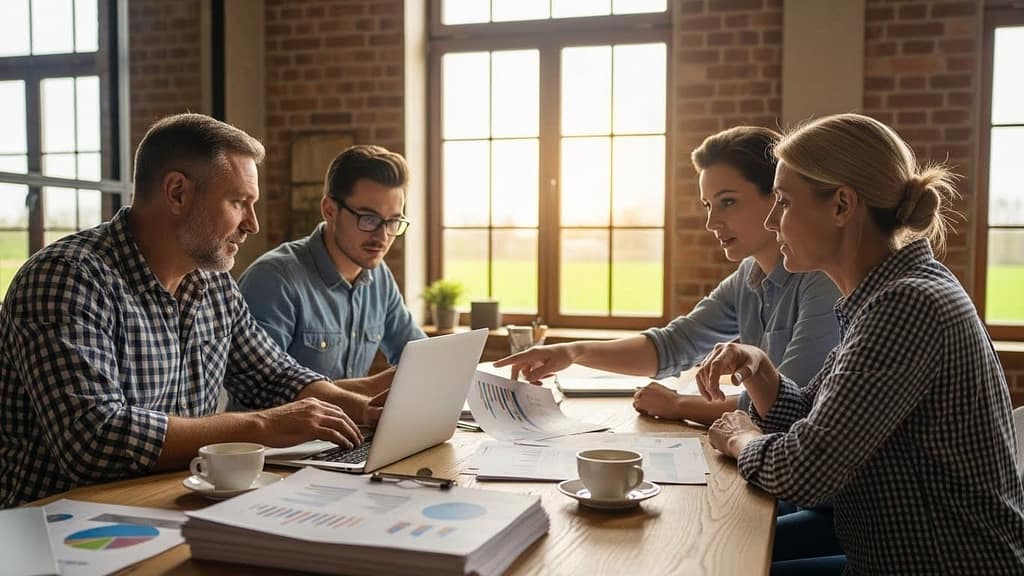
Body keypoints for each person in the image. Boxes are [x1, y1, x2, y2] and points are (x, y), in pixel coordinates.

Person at [0, 114, 390, 507]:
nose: (252, 224)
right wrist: (263, 425)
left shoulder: (212, 283)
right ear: (177, 193)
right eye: (239, 203)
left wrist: (368, 411)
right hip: (58, 527)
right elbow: (94, 440)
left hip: (169, 508)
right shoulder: (67, 279)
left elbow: (275, 376)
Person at [700, 113, 1024, 574]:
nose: (772, 222)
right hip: (890, 556)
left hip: (941, 566)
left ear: (841, 206)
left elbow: (805, 472)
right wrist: (762, 371)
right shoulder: (888, 292)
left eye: (785, 202)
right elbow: (821, 417)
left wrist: (742, 439)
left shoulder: (907, 304)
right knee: (721, 553)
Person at [495, 126, 841, 427]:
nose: (712, 222)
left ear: (777, 197)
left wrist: (678, 406)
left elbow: (789, 409)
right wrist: (573, 351)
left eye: (728, 202)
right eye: (708, 205)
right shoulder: (747, 278)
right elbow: (673, 345)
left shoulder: (823, 281)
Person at [235, 146, 424, 408]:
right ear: (329, 209)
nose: (382, 237)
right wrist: (373, 386)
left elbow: (421, 358)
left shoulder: (378, 277)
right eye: (368, 219)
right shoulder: (274, 279)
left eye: (393, 222)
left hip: (348, 437)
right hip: (280, 447)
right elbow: (263, 393)